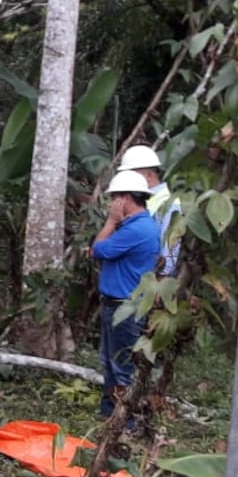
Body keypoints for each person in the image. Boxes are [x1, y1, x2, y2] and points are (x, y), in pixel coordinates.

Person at [90, 170, 159, 418]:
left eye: (114, 198)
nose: (111, 205)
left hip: (124, 307)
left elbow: (97, 250)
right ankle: (109, 415)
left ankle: (123, 423)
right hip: (118, 305)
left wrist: (110, 222)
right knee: (111, 364)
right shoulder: (136, 226)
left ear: (126, 199)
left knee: (121, 367)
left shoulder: (135, 230)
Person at [117, 144, 181, 277]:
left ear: (148, 176)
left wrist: (158, 283)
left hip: (152, 280)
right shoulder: (144, 201)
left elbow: (170, 250)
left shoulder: (169, 204)